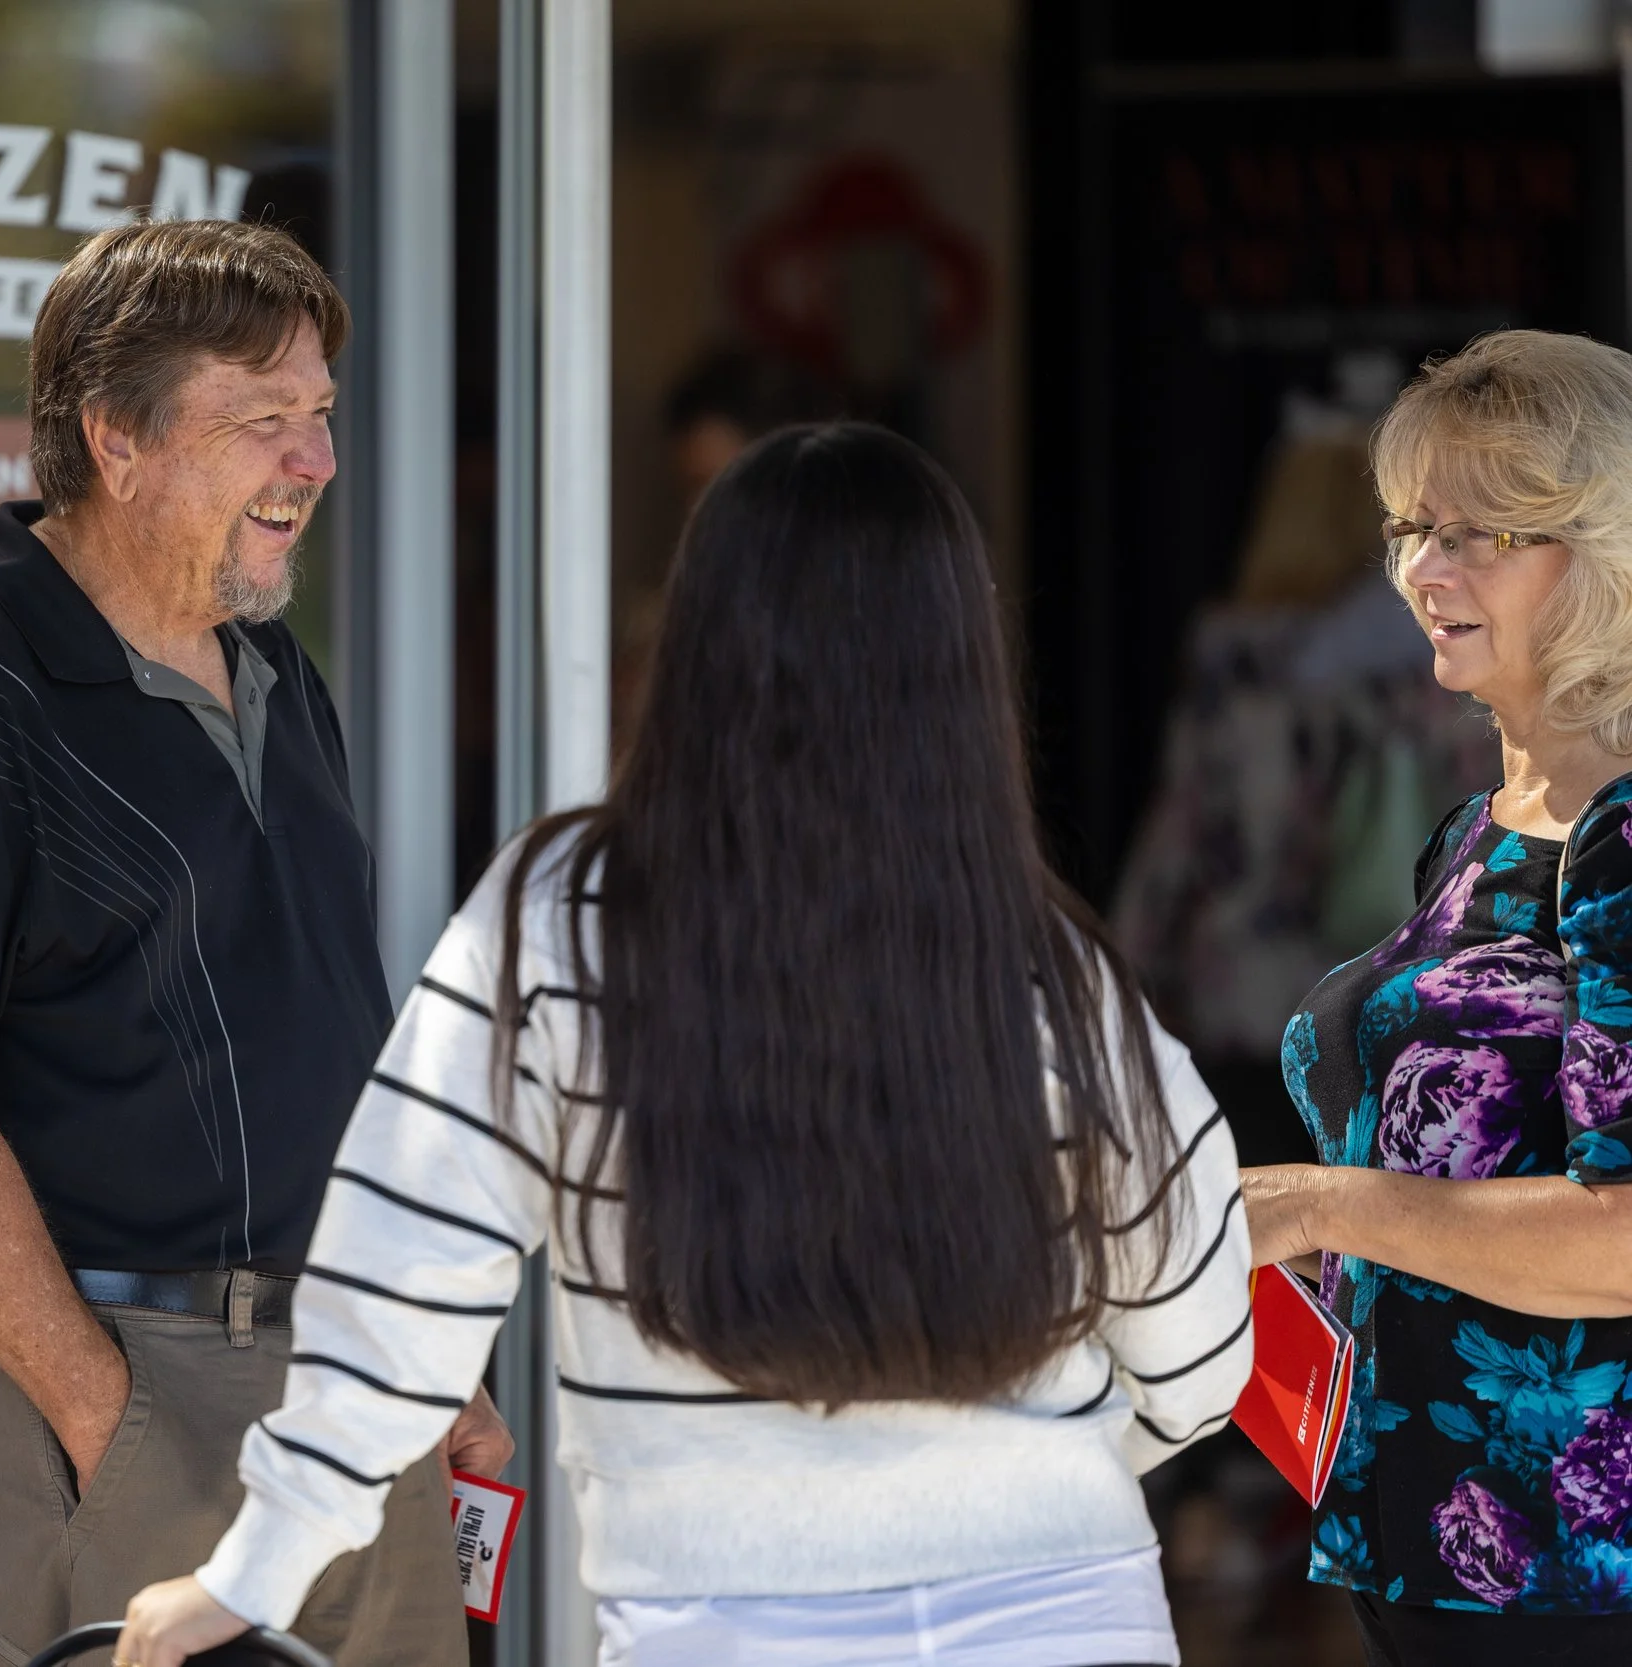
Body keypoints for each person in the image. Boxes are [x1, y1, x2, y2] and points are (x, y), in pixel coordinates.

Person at [120, 422, 1255, 1667]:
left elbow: (403, 1280)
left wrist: (257, 1568)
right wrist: (1051, 1459)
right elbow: (1199, 1354)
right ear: (962, 663)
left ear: (700, 643)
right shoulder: (1053, 966)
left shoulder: (561, 917)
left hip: (722, 1624)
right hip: (1064, 1611)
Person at [0, 218, 503, 1667]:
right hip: (135, 1385)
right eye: (263, 422)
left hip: (351, 1389)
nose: (317, 462)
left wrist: (427, 1355)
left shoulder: (274, 668)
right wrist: (109, 1421)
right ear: (116, 437)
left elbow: (329, 1033)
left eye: (320, 416)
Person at [1241, 330, 1632, 1665]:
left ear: (1608, 551)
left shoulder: (1624, 830)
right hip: (1437, 1547)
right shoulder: (1482, 826)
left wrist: (1319, 1201)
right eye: (1413, 524)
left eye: (1484, 533)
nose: (1423, 569)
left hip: (1579, 1576)